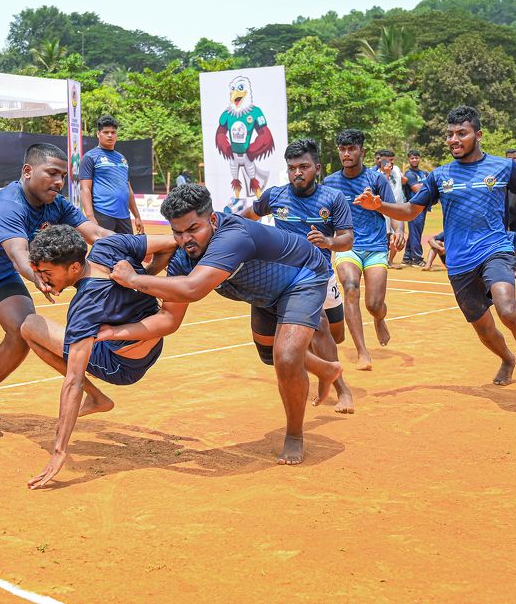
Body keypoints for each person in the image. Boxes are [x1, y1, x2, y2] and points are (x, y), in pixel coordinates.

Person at [356, 105, 516, 402]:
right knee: (485, 330)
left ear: (478, 135)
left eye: (461, 133)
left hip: (495, 250)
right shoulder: (440, 176)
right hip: (459, 263)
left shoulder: (503, 168)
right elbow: (410, 210)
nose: (454, 139)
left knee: (507, 310)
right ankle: (507, 358)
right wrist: (380, 206)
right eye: (450, 134)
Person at [109, 184, 342, 466]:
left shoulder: (234, 237)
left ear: (213, 220)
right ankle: (326, 368)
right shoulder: (184, 257)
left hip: (303, 276)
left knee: (288, 357)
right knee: (272, 357)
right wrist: (113, 333)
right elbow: (170, 319)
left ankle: (294, 435)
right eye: (177, 232)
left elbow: (193, 289)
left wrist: (135, 279)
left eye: (193, 229)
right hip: (263, 294)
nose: (185, 239)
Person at [0, 143, 111, 418]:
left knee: (24, 328)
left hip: (0, 278)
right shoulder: (8, 204)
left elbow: (96, 233)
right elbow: (19, 254)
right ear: (27, 171)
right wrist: (40, 280)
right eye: (52, 173)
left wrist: (141, 247)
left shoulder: (57, 205)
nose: (59, 182)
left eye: (63, 176)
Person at [21, 227, 185, 489]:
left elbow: (73, 381)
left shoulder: (85, 307)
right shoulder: (111, 246)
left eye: (48, 274)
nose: (42, 281)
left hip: (121, 366)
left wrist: (59, 450)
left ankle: (97, 397)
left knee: (29, 326)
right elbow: (170, 243)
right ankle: (97, 397)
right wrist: (141, 281)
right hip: (153, 341)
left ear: (74, 268)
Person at [242, 138, 356, 413]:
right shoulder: (275, 196)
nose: (297, 173)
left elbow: (348, 239)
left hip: (321, 274)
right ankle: (342, 390)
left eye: (303, 166)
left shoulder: (332, 199)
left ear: (316, 168)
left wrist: (328, 241)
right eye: (292, 167)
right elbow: (247, 217)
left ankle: (329, 375)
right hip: (286, 277)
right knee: (317, 328)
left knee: (333, 333)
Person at [323, 129, 403, 371]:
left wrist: (398, 231)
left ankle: (379, 318)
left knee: (374, 304)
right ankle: (362, 352)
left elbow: (391, 209)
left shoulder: (376, 180)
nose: (346, 154)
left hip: (377, 247)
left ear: (362, 151)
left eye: (352, 149)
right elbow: (324, 216)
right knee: (350, 288)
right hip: (348, 246)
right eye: (342, 149)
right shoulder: (330, 182)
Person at [79, 114, 144, 235]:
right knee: (106, 251)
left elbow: (128, 190)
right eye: (106, 132)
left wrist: (137, 216)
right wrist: (90, 217)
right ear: (98, 134)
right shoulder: (89, 157)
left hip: (124, 216)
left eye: (113, 132)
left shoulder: (122, 159)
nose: (110, 135)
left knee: (128, 249)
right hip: (103, 214)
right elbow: (85, 189)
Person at [375, 150, 407, 268]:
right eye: (387, 160)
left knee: (399, 233)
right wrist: (387, 174)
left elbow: (403, 180)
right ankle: (383, 259)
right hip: (385, 208)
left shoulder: (397, 169)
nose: (390, 163)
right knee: (386, 235)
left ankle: (391, 260)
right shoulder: (377, 174)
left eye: (392, 160)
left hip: (399, 207)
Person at [402, 150, 430, 266]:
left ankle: (407, 257)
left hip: (422, 207)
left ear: (419, 159)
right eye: (412, 158)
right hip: (414, 207)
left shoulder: (423, 173)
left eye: (416, 158)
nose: (414, 160)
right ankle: (417, 259)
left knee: (415, 231)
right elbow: (417, 190)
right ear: (409, 160)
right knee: (416, 232)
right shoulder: (409, 174)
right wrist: (427, 186)